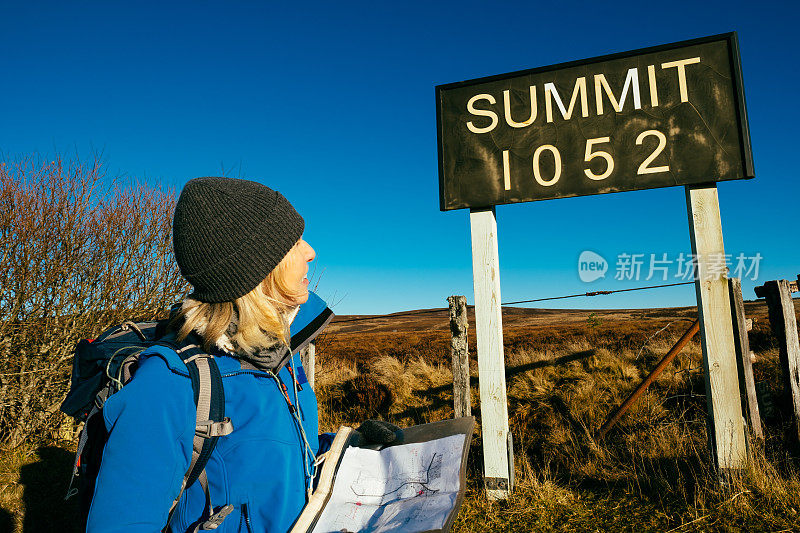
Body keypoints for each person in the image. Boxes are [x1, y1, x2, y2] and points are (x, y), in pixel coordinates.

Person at [85, 177, 401, 532]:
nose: (310, 250)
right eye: (294, 243)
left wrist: (350, 448)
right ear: (256, 270)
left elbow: (278, 459)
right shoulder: (169, 383)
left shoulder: (277, 356)